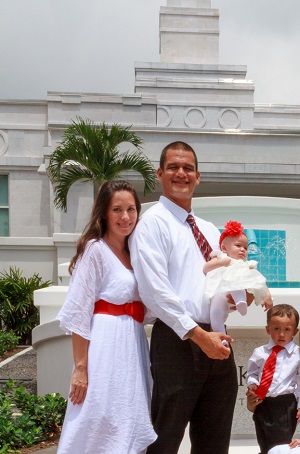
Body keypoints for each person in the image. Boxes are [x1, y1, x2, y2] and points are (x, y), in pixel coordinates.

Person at [129, 141, 240, 454]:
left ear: (198, 176)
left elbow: (217, 279)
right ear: (160, 173)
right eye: (174, 167)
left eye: (188, 168)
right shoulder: (151, 224)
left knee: (214, 440)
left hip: (217, 338)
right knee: (164, 439)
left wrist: (228, 298)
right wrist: (198, 335)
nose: (181, 173)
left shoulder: (207, 228)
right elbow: (154, 290)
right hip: (177, 340)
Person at [56, 180, 156, 454]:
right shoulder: (95, 250)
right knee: (98, 413)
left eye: (131, 209)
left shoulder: (135, 253)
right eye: (117, 210)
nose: (126, 217)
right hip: (104, 345)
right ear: (103, 213)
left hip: (132, 346)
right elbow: (79, 310)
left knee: (128, 414)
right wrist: (80, 368)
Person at [203, 220, 273, 337]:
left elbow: (259, 280)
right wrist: (221, 262)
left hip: (235, 291)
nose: (242, 250)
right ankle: (221, 336)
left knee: (235, 279)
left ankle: (241, 301)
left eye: (245, 248)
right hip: (219, 294)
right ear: (224, 248)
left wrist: (267, 296)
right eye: (238, 246)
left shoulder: (245, 265)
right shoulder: (221, 257)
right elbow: (206, 268)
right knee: (216, 314)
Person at [246, 304, 300, 454]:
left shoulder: (297, 355)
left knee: (279, 446)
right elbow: (252, 373)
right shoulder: (260, 352)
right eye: (276, 329)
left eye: (287, 330)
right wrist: (253, 384)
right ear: (268, 329)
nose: (281, 334)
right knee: (264, 443)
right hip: (262, 403)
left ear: (295, 331)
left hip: (284, 404)